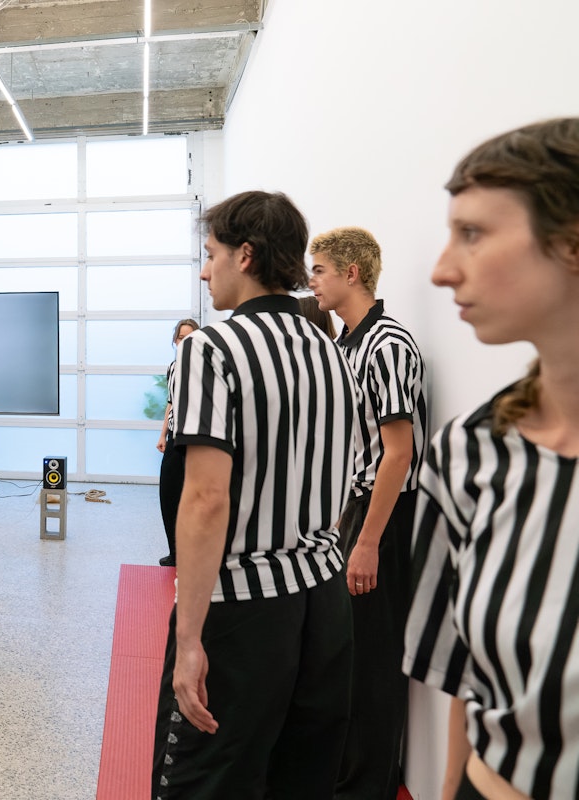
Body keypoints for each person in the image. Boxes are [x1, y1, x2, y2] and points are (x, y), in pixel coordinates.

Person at [153, 191, 359, 799]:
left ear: (244, 256)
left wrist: (189, 638)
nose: (204, 271)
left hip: (242, 607)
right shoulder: (331, 351)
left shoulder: (210, 348)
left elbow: (205, 499)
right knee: (298, 781)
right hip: (324, 601)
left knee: (206, 780)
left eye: (210, 254)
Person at [404, 118, 579, 800]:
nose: (442, 270)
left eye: (473, 233)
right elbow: (468, 682)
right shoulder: (469, 453)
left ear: (571, 241)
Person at [309, 227, 428, 800]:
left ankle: (368, 786)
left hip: (385, 515)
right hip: (356, 510)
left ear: (351, 273)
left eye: (320, 270)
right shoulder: (348, 345)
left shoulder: (387, 345)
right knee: (348, 653)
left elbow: (397, 452)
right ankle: (346, 773)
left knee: (375, 657)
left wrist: (367, 540)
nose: (312, 281)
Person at [155, 318, 199, 567]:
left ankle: (192, 553)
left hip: (193, 440)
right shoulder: (173, 367)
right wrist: (162, 434)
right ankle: (175, 551)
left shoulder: (202, 367)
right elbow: (170, 402)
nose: (185, 342)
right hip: (174, 437)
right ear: (175, 341)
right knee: (168, 495)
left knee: (191, 499)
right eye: (182, 338)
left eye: (190, 337)